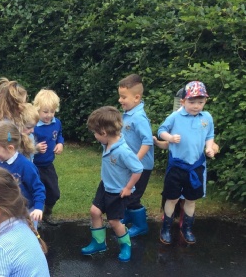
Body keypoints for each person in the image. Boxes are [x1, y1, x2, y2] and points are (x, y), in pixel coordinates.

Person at [80, 106, 143, 262]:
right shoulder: (107, 143)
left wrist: (128, 188)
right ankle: (99, 242)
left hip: (118, 192)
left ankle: (126, 245)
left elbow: (138, 169)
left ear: (103, 133)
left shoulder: (123, 151)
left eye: (95, 133)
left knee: (114, 221)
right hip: (105, 186)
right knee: (95, 211)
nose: (94, 136)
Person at [157, 81, 215, 245]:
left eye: (200, 102)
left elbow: (210, 135)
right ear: (183, 101)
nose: (196, 106)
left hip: (196, 167)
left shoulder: (207, 117)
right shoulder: (175, 116)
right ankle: (166, 228)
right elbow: (161, 130)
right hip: (177, 166)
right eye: (192, 102)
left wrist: (209, 147)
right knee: (172, 198)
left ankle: (187, 228)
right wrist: (170, 138)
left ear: (205, 101)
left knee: (191, 199)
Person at [0, 120, 45, 226]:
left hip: (27, 213)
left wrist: (38, 208)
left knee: (28, 235)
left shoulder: (25, 166)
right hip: (9, 211)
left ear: (10, 148)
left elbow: (38, 188)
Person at [118, 74, 154, 237]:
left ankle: (141, 225)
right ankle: (128, 216)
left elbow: (147, 141)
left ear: (137, 97)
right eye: (120, 96)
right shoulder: (128, 113)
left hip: (141, 166)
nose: (120, 100)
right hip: (130, 164)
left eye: (123, 97)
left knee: (133, 196)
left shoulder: (139, 117)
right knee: (126, 192)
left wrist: (135, 160)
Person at [32, 88, 64, 226]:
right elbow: (24, 144)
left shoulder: (56, 122)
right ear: (37, 109)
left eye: (52, 111)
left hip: (48, 165)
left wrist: (60, 144)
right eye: (45, 112)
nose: (49, 115)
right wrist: (36, 148)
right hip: (34, 165)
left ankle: (47, 213)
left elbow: (59, 135)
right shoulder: (33, 126)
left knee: (54, 193)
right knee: (35, 192)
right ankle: (34, 218)